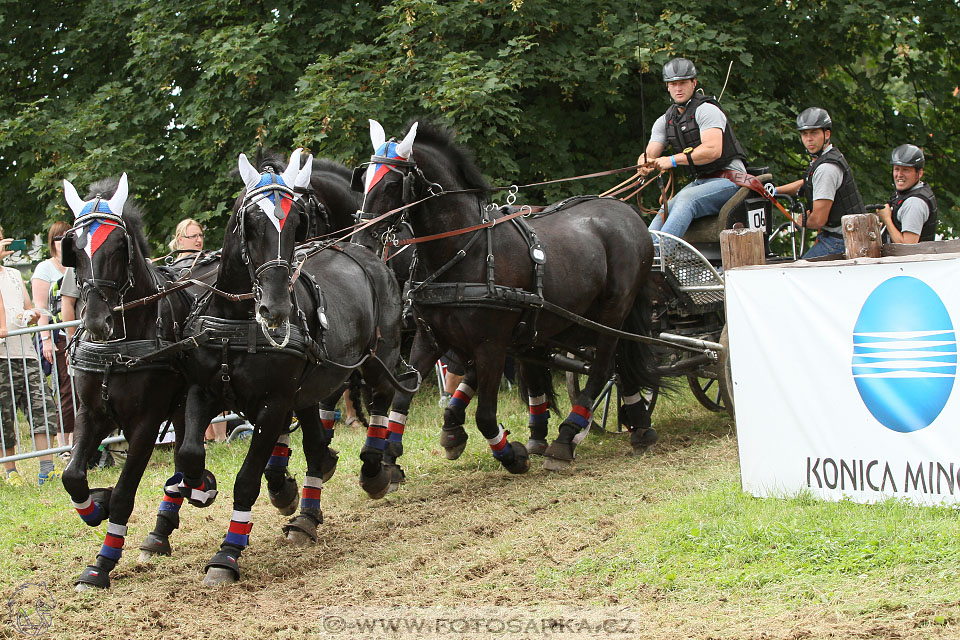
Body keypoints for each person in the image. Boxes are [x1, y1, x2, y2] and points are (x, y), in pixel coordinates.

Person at [638, 57, 749, 238]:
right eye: (673, 84)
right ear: (667, 87)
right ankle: (648, 251)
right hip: (701, 182)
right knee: (665, 209)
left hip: (731, 180)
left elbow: (712, 150)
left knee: (686, 199)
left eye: (683, 83)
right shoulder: (665, 121)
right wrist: (645, 163)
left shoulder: (707, 110)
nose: (678, 88)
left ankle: (661, 250)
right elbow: (650, 153)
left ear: (694, 83)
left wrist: (672, 160)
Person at [0, 225, 63, 486]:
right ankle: (10, 472)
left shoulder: (14, 274)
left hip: (25, 352)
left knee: (43, 407)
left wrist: (33, 314)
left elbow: (28, 307)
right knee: (4, 415)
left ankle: (46, 469)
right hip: (1, 356)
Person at [771, 107, 865, 258]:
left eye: (814, 133)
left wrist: (801, 220)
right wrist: (775, 191)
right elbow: (807, 182)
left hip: (841, 241)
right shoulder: (827, 158)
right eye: (804, 134)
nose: (809, 139)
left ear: (827, 134)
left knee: (798, 271)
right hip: (844, 236)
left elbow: (818, 220)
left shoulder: (826, 169)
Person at [31, 222, 75, 457]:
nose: (63, 242)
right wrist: (45, 339)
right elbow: (41, 309)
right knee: (65, 388)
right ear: (52, 243)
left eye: (68, 237)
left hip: (79, 334)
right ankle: (63, 443)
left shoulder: (77, 264)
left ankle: (79, 440)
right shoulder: (45, 269)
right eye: (59, 238)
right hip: (58, 336)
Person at [877, 144, 937, 244]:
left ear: (920, 173)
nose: (899, 175)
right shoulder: (906, 194)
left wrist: (887, 219)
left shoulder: (914, 203)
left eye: (906, 170)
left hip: (912, 255)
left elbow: (908, 247)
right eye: (897, 169)